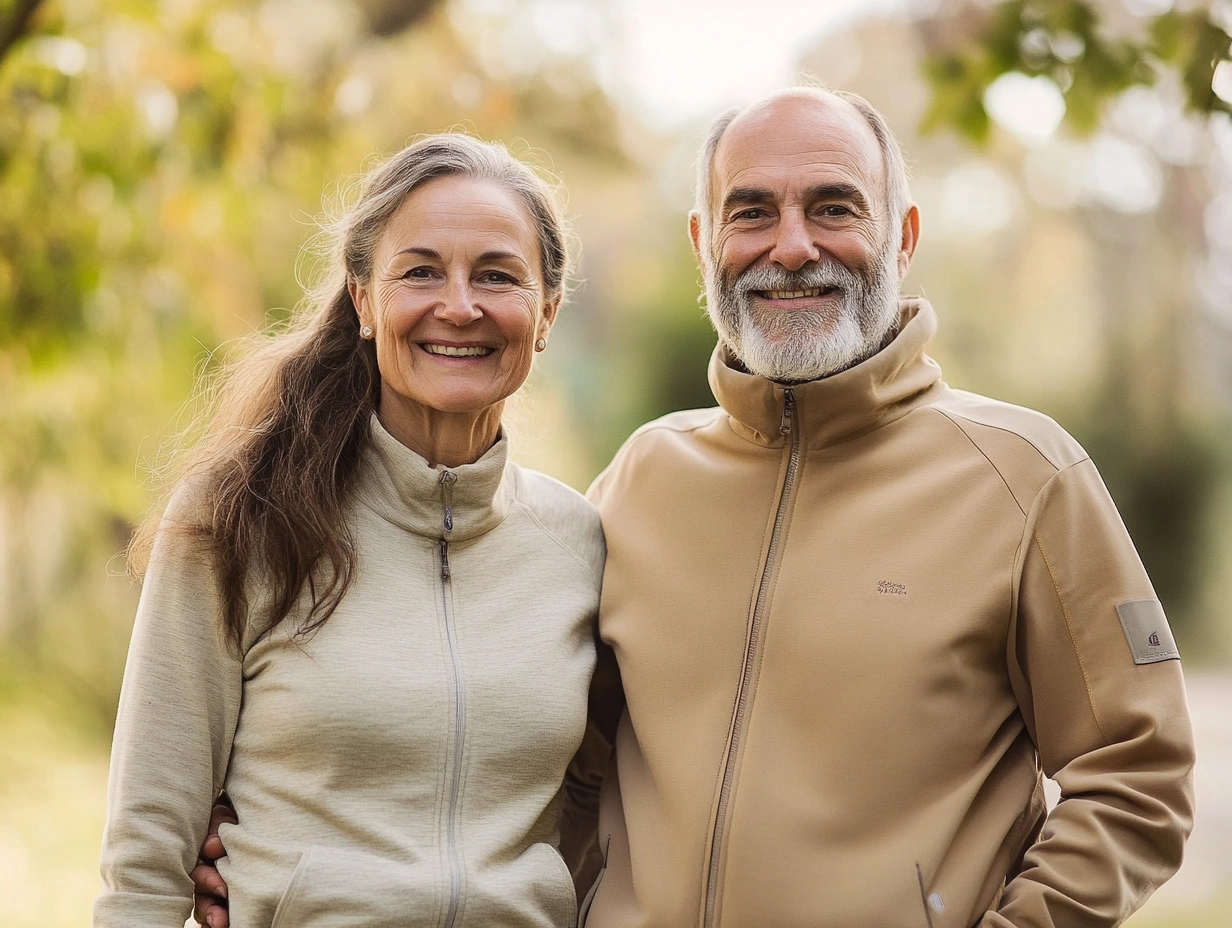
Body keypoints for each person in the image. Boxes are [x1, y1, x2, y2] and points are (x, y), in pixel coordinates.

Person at [192, 87, 1197, 928]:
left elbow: (1136, 777)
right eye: (751, 209)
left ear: (902, 233)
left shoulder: (1023, 476)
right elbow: (543, 755)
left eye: (833, 207)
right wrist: (289, 838)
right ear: (702, 239)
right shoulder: (640, 480)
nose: (790, 245)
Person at [95, 133, 605, 928]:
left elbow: (598, 812)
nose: (460, 305)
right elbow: (146, 857)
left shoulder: (581, 544)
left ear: (545, 313)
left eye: (498, 275)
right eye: (421, 271)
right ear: (364, 301)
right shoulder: (239, 522)